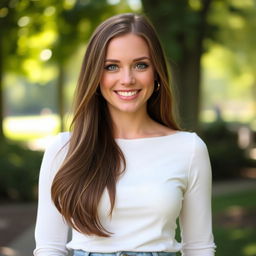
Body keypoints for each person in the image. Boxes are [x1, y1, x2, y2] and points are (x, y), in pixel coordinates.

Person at [34, 13, 216, 256]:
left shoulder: (189, 148)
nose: (127, 79)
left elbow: (199, 248)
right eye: (112, 67)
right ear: (95, 76)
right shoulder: (65, 148)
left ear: (157, 72)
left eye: (141, 65)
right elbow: (49, 247)